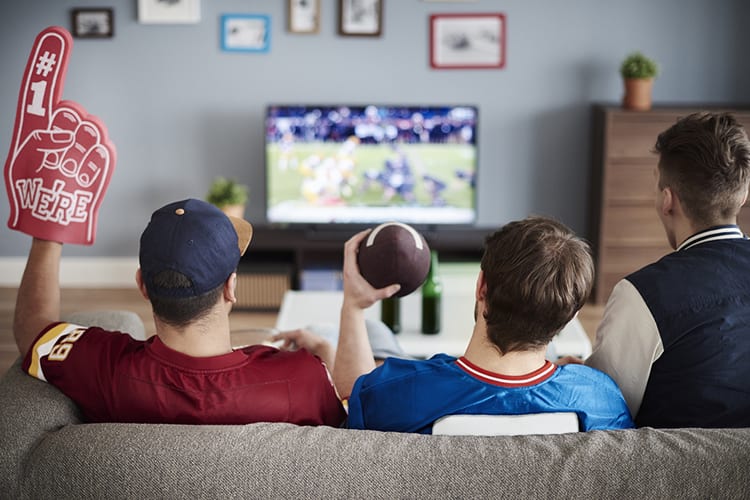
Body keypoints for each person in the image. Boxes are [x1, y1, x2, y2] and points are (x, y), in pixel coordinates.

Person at [15, 198, 346, 426]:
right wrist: (327, 355)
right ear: (231, 288)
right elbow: (347, 427)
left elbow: (32, 328)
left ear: (142, 285)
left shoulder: (100, 366)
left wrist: (48, 236)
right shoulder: (303, 376)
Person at [332, 216, 634, 434]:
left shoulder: (399, 390)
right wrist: (573, 377)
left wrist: (354, 305)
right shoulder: (600, 397)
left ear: (481, 287)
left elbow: (351, 393)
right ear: (570, 316)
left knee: (373, 333)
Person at [585, 112, 750, 428]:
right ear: (742, 197)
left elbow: (602, 415)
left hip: (672, 475)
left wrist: (577, 379)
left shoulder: (641, 295)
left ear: (667, 200)